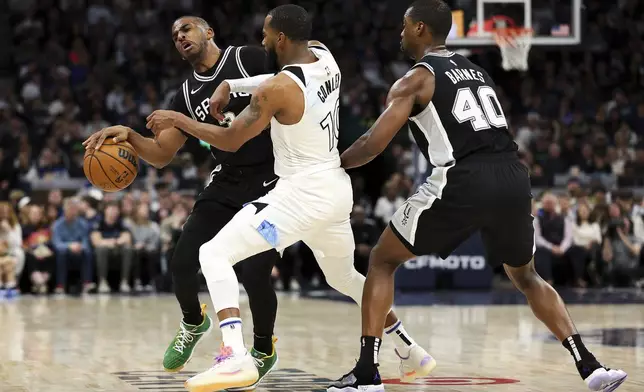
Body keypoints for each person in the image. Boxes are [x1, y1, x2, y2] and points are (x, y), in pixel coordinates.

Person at [329, 1, 627, 392]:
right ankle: (590, 367)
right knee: (526, 275)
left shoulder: (414, 80)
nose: (400, 33)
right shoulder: (476, 70)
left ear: (420, 29)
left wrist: (334, 165)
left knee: (382, 260)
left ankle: (367, 373)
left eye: (404, 26)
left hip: (464, 177)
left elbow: (373, 144)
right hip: (512, 174)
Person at [145, 5, 434, 391]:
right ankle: (409, 349)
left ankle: (234, 356)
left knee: (213, 254)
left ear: (280, 38)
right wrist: (234, 85)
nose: (262, 41)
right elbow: (277, 78)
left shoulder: (277, 90)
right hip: (335, 188)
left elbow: (231, 139)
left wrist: (180, 119)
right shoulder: (325, 57)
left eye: (266, 35)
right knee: (344, 276)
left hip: (300, 194)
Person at [83, 15, 281, 386]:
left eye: (186, 29)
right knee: (181, 264)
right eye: (174, 35)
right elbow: (161, 155)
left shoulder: (248, 59)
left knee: (255, 275)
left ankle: (262, 348)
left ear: (209, 31)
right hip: (226, 182)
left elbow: (291, 81)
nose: (180, 37)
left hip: (272, 183)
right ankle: (194, 321)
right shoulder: (186, 94)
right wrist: (129, 135)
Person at [51, 198, 94, 295]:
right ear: (65, 210)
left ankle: (87, 284)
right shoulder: (57, 225)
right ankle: (60, 286)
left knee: (87, 252)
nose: (72, 211)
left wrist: (80, 247)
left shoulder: (83, 223)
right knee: (61, 253)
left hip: (79, 252)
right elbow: (56, 243)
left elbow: (85, 240)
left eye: (74, 209)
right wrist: (69, 246)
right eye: (70, 209)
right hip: (65, 251)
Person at [91, 202, 134, 293]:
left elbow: (127, 238)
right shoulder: (99, 223)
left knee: (128, 248)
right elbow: (96, 241)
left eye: (115, 210)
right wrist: (109, 242)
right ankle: (102, 282)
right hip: (104, 250)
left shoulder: (122, 222)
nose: (113, 212)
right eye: (111, 209)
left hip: (117, 249)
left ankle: (124, 282)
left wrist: (115, 242)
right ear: (105, 210)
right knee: (101, 249)